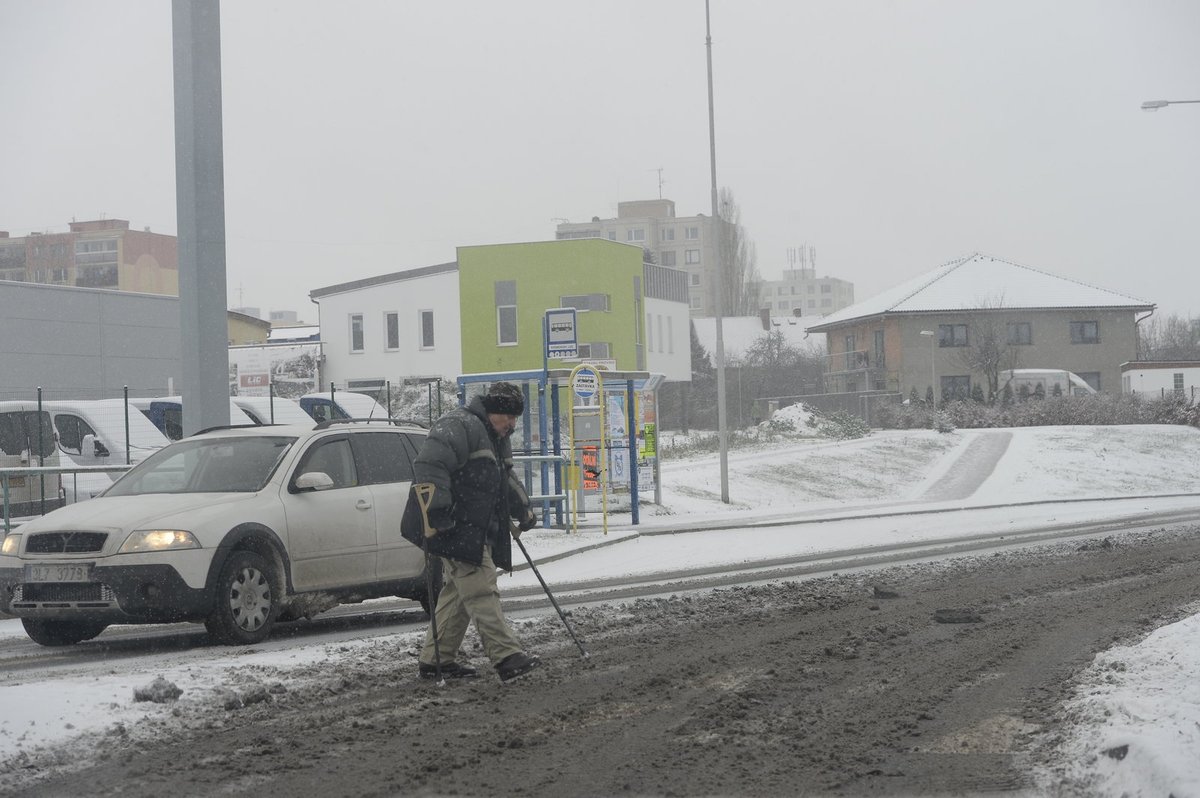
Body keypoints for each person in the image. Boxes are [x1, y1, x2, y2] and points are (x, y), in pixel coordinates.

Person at [401, 381, 541, 683]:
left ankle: (436, 662)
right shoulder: (458, 425)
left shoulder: (494, 435)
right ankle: (507, 658)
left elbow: (505, 476)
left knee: (459, 594)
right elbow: (429, 465)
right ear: (495, 410)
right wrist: (438, 510)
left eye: (516, 418)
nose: (513, 425)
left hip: (472, 526)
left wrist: (523, 508)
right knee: (480, 588)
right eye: (510, 417)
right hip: (452, 523)